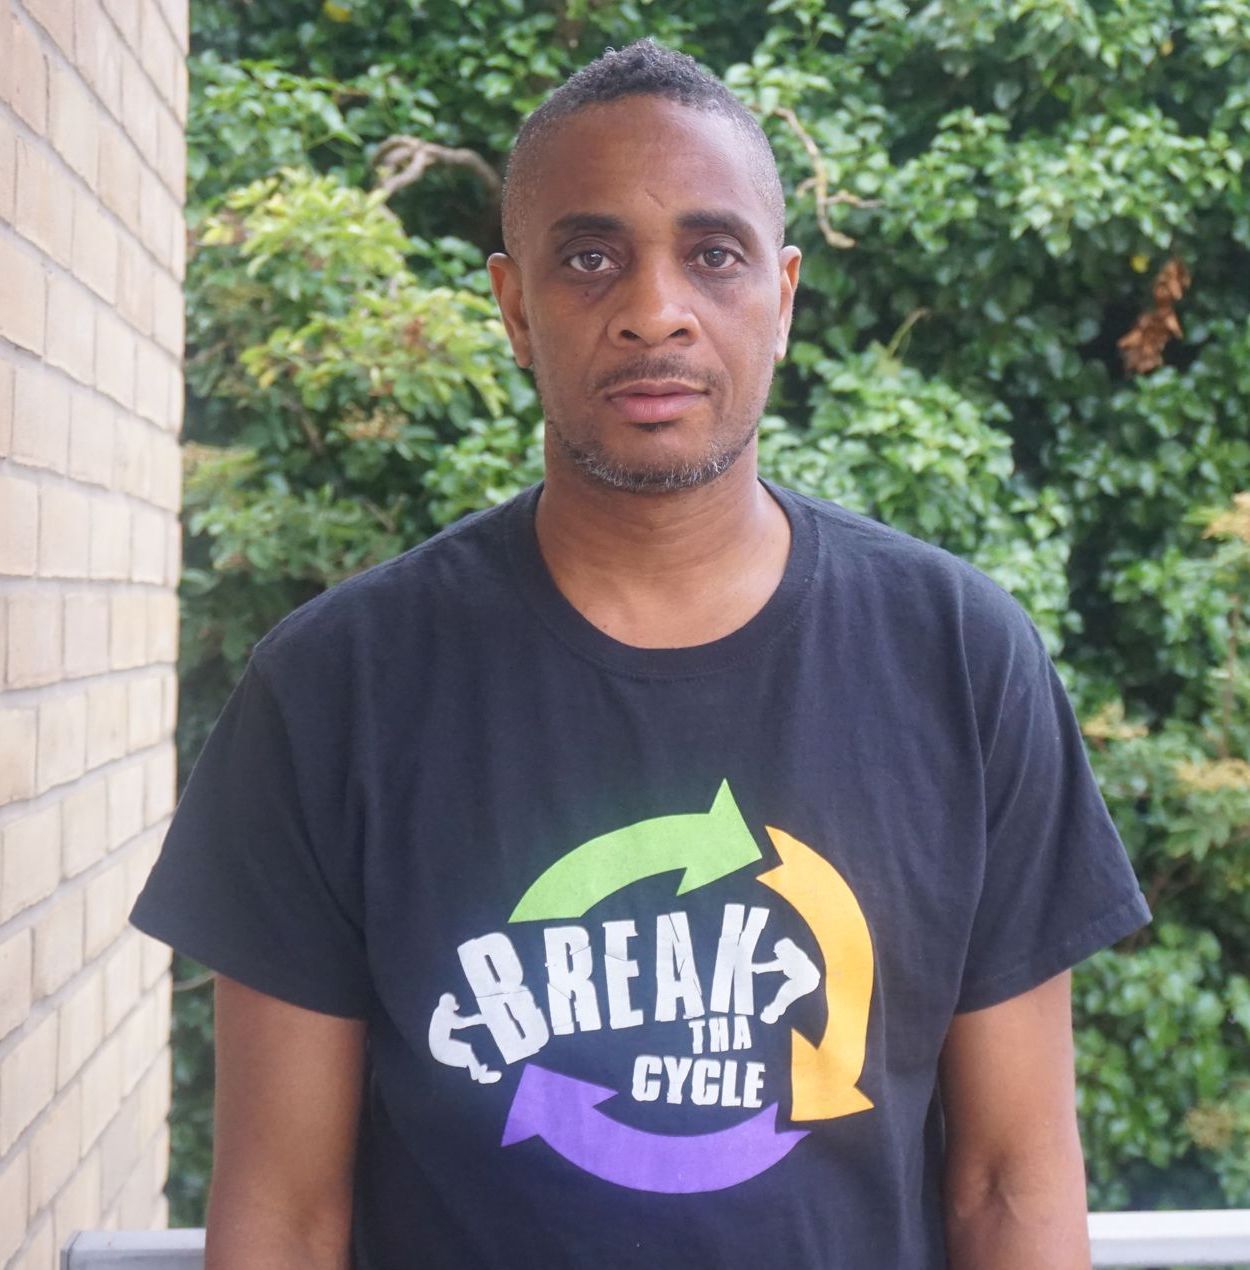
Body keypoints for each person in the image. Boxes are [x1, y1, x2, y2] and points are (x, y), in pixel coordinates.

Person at [130, 38, 1150, 1270]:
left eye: (712, 254)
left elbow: (1009, 1181)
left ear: (781, 297)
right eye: (589, 255)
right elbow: (284, 1216)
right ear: (514, 306)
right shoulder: (332, 690)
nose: (653, 308)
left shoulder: (961, 659)